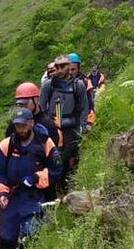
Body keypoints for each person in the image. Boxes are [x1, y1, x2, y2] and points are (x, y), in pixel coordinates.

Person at [0, 108, 60, 249]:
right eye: (17, 126)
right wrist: (2, 193)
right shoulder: (5, 146)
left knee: (31, 233)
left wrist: (36, 178)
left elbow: (55, 169)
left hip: (34, 195)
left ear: (31, 123)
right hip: (12, 196)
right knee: (7, 236)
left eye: (23, 125)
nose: (20, 129)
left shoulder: (44, 143)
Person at [39, 55, 90, 192]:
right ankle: (55, 188)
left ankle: (67, 186)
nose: (59, 69)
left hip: (71, 128)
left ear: (69, 66)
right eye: (57, 67)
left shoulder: (78, 85)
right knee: (55, 158)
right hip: (53, 128)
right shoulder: (48, 85)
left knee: (70, 158)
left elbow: (84, 107)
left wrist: (83, 126)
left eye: (63, 66)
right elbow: (41, 107)